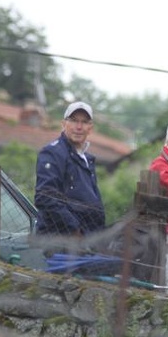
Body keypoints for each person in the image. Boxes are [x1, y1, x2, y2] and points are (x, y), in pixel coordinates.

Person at [34, 101, 105, 236]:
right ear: (63, 124)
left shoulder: (87, 159)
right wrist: (75, 229)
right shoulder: (52, 153)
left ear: (90, 128)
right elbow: (44, 197)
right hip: (59, 240)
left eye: (84, 122)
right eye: (73, 121)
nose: (78, 127)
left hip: (87, 240)